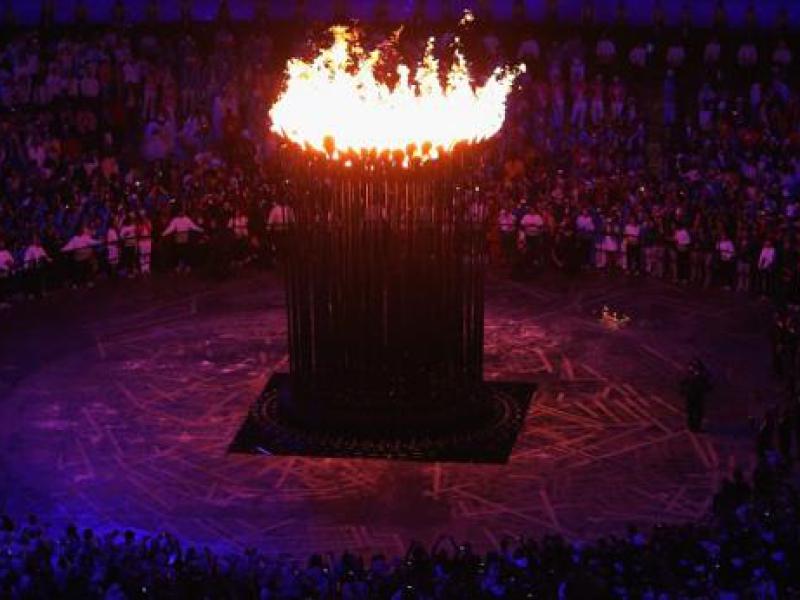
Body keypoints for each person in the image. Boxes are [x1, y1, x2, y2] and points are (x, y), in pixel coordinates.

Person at [162, 207, 203, 273]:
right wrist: (164, 233)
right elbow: (171, 228)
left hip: (185, 236)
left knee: (186, 252)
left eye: (182, 212)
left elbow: (193, 226)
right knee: (178, 251)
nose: (181, 213)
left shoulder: (187, 219)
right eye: (180, 212)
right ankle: (179, 266)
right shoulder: (175, 220)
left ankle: (187, 266)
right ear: (178, 212)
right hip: (178, 237)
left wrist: (200, 230)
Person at [680, 358, 712, 432]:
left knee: (695, 411)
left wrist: (683, 391)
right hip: (693, 395)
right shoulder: (695, 375)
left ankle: (694, 426)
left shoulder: (696, 375)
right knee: (693, 411)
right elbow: (683, 383)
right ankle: (693, 426)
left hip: (695, 395)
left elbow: (683, 383)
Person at [0, 239, 14, 308]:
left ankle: (4, 301)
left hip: (6, 271)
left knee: (4, 285)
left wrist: (9, 263)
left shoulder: (7, 252)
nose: (1, 244)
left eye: (2, 243)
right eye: (0, 243)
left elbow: (11, 262)